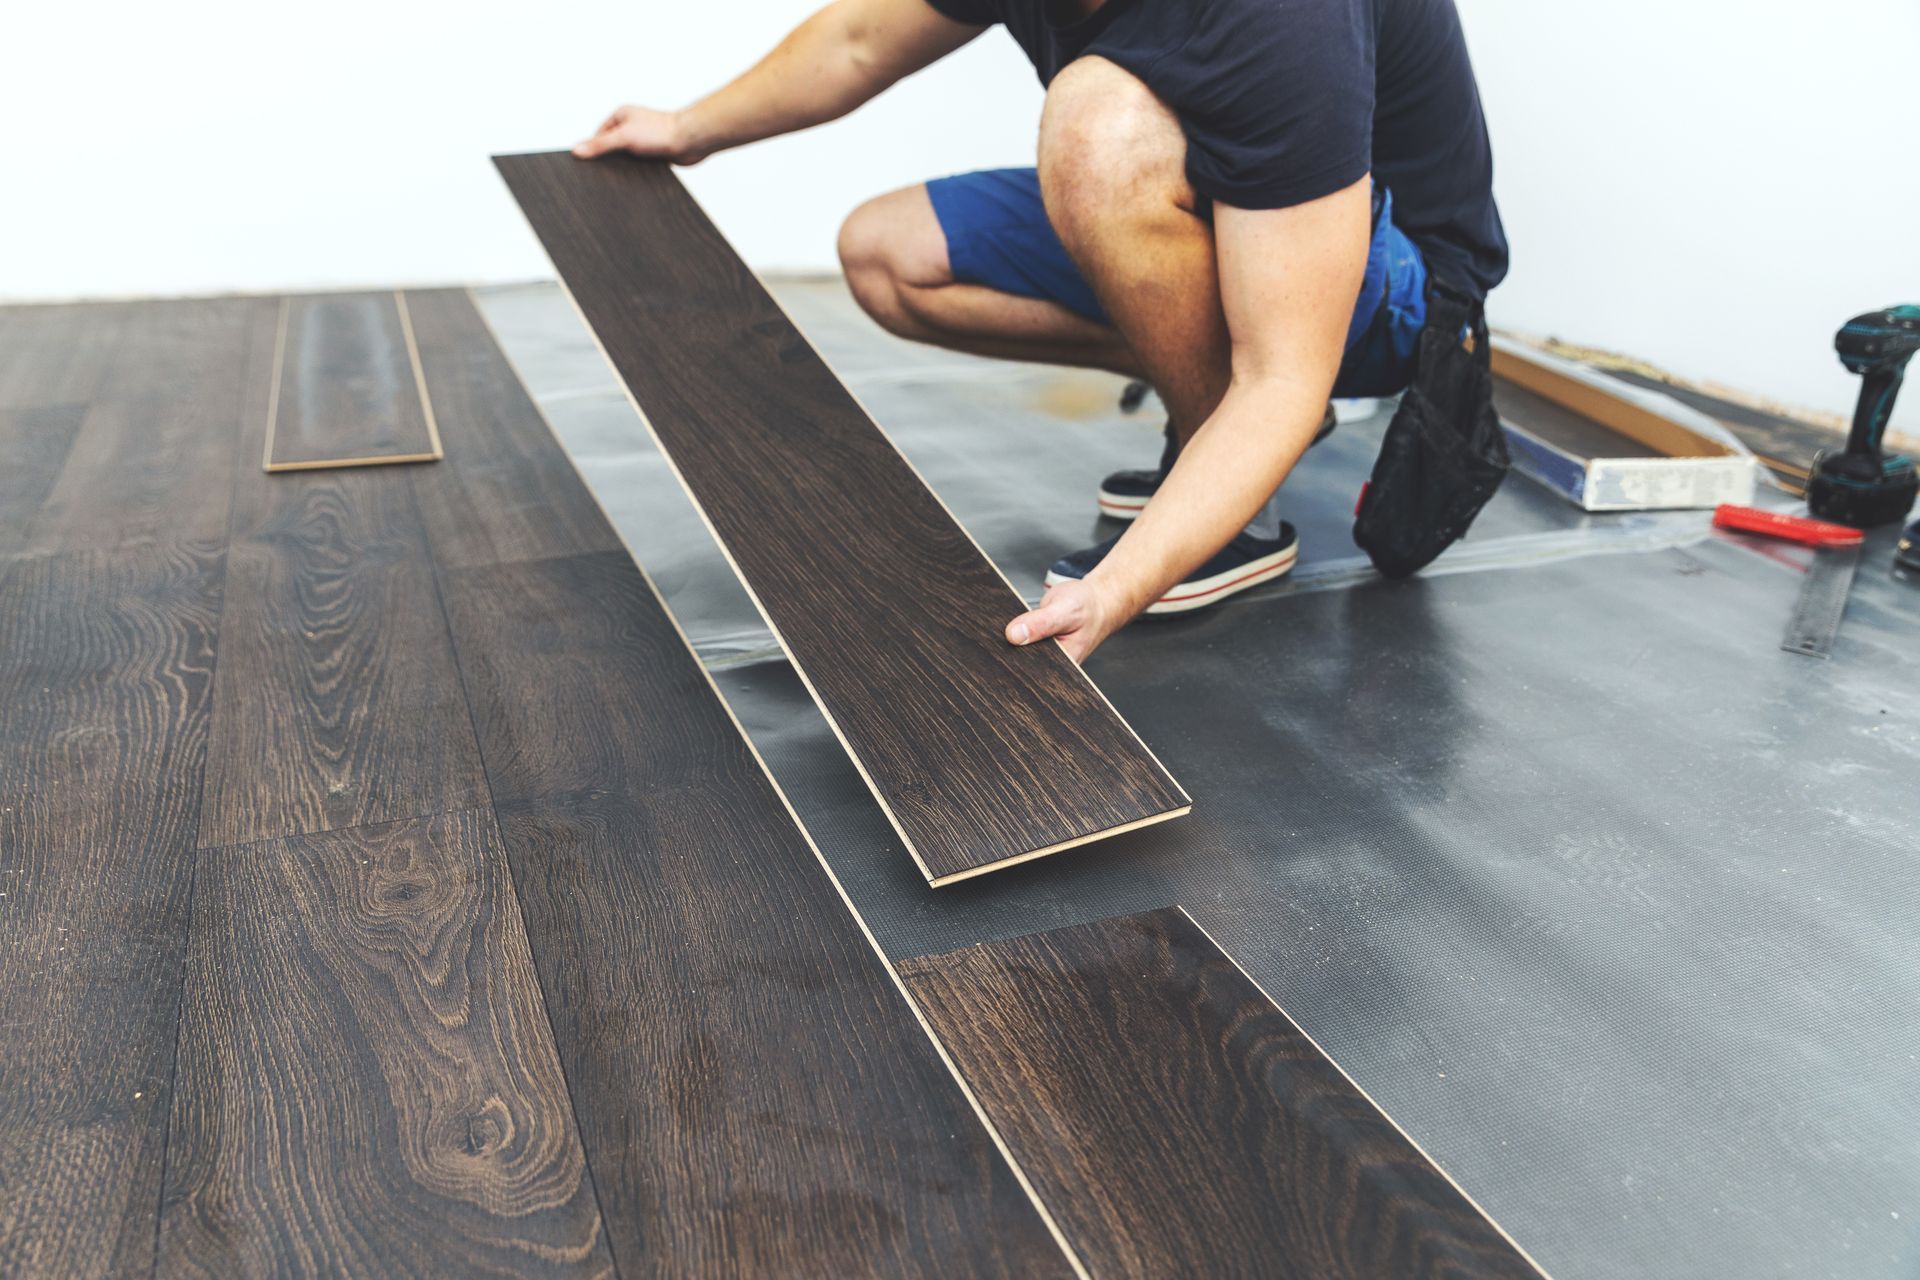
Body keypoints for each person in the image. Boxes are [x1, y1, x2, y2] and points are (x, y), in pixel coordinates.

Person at [576, 0, 1507, 662]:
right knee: (888, 254)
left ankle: (1237, 518)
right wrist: (688, 129)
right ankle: (1218, 441)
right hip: (1234, 219)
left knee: (1097, 126)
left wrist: (1118, 586)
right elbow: (859, 39)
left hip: (1397, 293)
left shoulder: (1277, 18)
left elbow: (1281, 379)